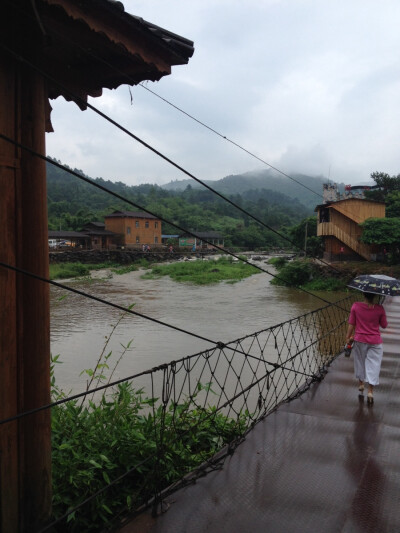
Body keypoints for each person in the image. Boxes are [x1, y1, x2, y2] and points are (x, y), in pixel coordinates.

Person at [345, 291, 388, 404]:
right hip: (375, 342)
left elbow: (351, 323)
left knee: (360, 362)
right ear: (374, 295)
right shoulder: (379, 309)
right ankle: (370, 392)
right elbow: (384, 325)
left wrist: (348, 337)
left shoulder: (355, 306)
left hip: (359, 340)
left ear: (363, 294)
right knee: (374, 365)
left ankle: (361, 384)